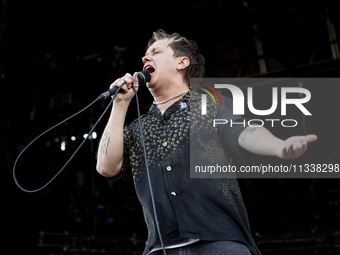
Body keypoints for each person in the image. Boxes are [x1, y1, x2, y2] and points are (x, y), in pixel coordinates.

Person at [96, 29, 317, 255]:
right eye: (145, 54)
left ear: (182, 62)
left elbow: (243, 131)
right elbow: (106, 167)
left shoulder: (210, 106)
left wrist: (278, 146)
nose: (145, 58)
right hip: (160, 247)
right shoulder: (138, 127)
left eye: (156, 51)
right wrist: (120, 104)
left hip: (220, 241)